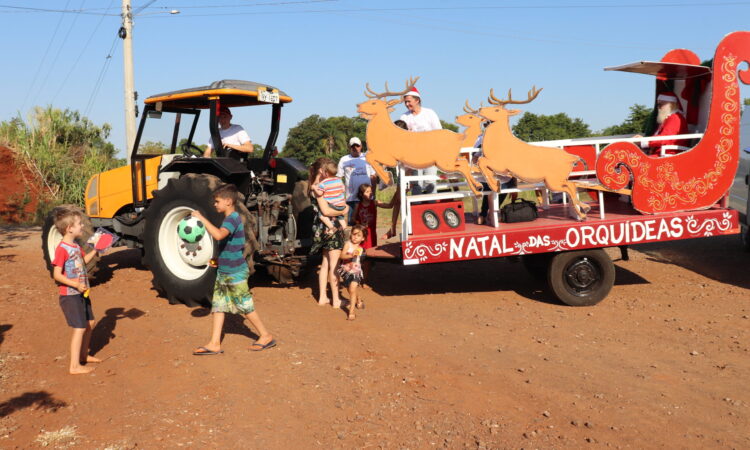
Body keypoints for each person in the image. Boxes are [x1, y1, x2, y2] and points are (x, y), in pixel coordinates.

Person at [191, 184, 275, 354]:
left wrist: (201, 218)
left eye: (217, 201)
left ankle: (265, 336)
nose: (215, 204)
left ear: (228, 201)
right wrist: (218, 260)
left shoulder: (232, 218)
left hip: (235, 272)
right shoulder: (230, 218)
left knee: (244, 306)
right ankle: (214, 343)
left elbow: (219, 235)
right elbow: (229, 246)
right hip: (225, 270)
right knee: (219, 306)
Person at [51, 206, 101, 374]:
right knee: (79, 327)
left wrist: (96, 250)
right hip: (70, 295)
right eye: (79, 224)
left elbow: (83, 262)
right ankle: (74, 366)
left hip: (81, 292)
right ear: (69, 228)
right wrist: (75, 284)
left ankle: (83, 356)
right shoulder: (62, 249)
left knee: (90, 323)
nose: (82, 226)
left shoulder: (75, 247)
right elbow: (57, 275)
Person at [309, 157, 349, 309]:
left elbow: (321, 209)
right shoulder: (336, 183)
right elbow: (326, 210)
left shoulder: (316, 187)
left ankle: (322, 298)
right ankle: (336, 300)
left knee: (325, 264)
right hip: (333, 228)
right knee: (335, 265)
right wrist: (344, 209)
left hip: (322, 229)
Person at [399, 86, 442, 194]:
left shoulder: (429, 113)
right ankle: (416, 209)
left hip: (430, 154)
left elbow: (439, 132)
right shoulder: (404, 116)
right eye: (405, 102)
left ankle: (431, 209)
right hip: (414, 156)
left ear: (417, 100)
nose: (407, 104)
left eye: (409, 101)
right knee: (416, 183)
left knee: (430, 182)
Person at [337, 137, 377, 224]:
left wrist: (373, 195)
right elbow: (339, 178)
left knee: (367, 223)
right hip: (351, 198)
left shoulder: (368, 158)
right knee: (353, 223)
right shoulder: (344, 159)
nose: (355, 148)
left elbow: (373, 176)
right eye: (353, 146)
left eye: (357, 146)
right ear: (349, 147)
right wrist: (340, 196)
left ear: (361, 146)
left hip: (366, 198)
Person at [337, 224, 367, 320]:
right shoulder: (347, 244)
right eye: (354, 234)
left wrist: (355, 254)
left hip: (355, 271)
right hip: (346, 270)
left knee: (353, 288)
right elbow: (341, 256)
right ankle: (358, 300)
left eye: (358, 236)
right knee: (350, 289)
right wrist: (350, 255)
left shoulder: (361, 249)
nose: (355, 237)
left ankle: (351, 312)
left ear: (363, 238)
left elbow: (359, 258)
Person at [315, 160, 348, 232]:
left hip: (332, 205)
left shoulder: (323, 183)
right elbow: (343, 189)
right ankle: (345, 229)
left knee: (321, 215)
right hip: (341, 205)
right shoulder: (339, 180)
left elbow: (320, 193)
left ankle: (331, 227)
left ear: (326, 173)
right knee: (341, 217)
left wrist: (314, 188)